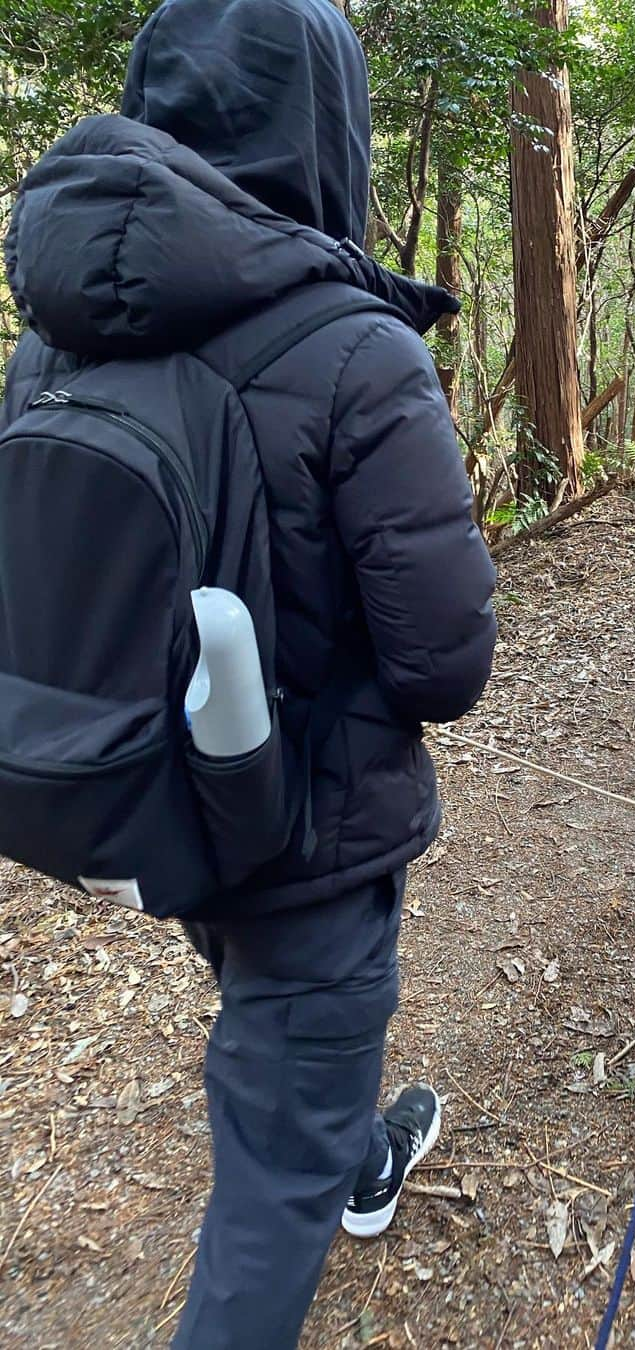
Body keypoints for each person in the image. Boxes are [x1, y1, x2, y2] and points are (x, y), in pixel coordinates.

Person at [1, 1, 496, 1346]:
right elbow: (446, 661)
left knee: (283, 1039)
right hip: (313, 842)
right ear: (327, 119)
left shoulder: (50, 341)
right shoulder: (356, 346)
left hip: (159, 803)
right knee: (266, 1190)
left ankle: (356, 1150)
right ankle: (323, 1150)